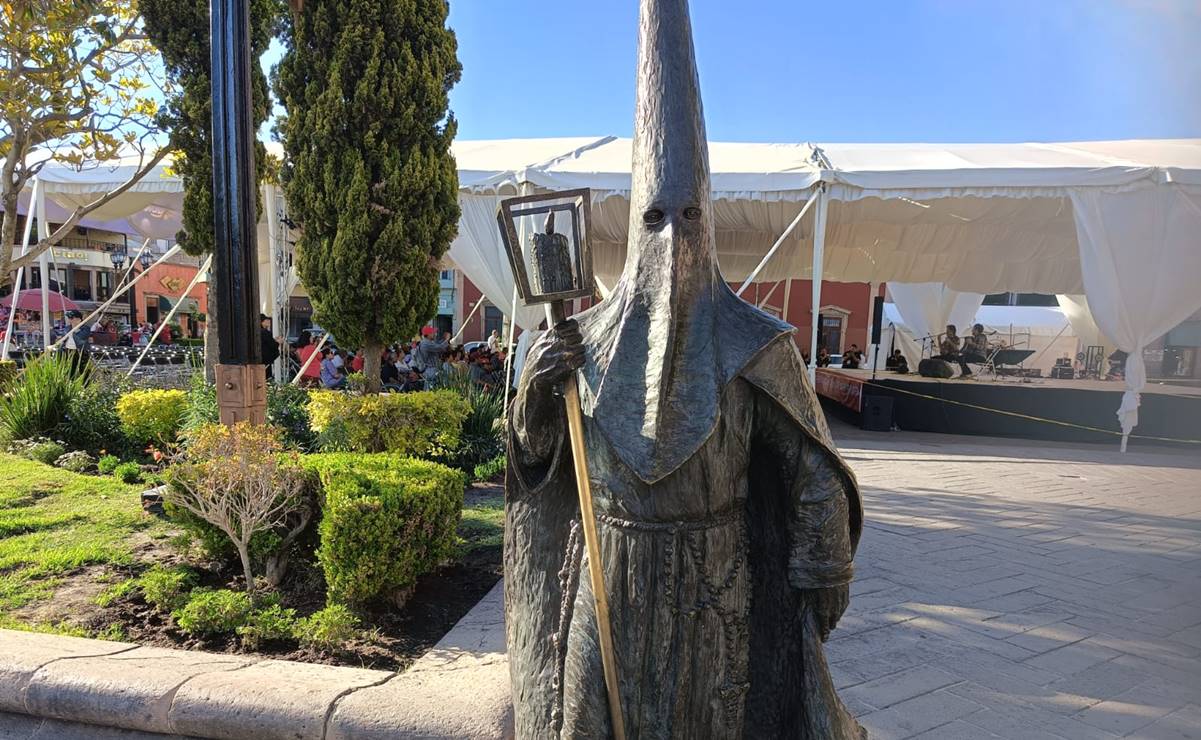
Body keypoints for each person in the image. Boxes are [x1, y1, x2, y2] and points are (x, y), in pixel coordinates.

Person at [506, 6, 863, 735]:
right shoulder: (582, 341)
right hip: (607, 570)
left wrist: (821, 569)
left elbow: (812, 469)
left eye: (687, 217)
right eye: (654, 218)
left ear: (708, 220)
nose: (671, 237)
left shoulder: (754, 343)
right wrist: (537, 393)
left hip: (710, 580)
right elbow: (535, 457)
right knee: (586, 722)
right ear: (635, 223)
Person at [259, 314, 281, 380]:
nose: (268, 322)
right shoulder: (265, 332)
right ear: (261, 321)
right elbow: (272, 345)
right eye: (266, 320)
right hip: (266, 360)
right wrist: (278, 342)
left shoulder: (256, 332)